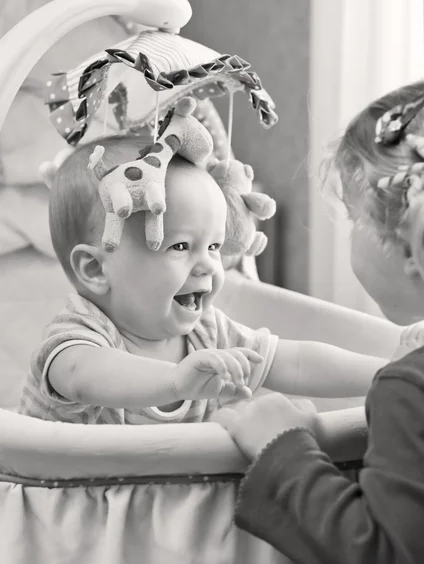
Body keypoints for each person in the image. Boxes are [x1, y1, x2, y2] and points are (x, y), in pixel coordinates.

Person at [19, 133, 383, 425]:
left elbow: (296, 362)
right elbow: (85, 377)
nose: (209, 265)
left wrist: (388, 374)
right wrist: (175, 380)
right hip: (76, 510)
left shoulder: (207, 333)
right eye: (180, 246)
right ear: (96, 269)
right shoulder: (77, 338)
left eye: (213, 246)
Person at [213, 80, 424, 564]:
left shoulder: (409, 390)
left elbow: (382, 551)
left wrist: (282, 448)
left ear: (408, 245)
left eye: (352, 218)